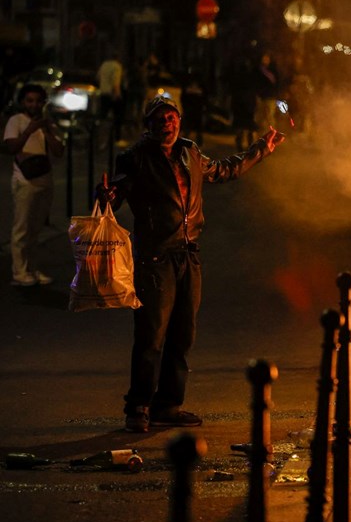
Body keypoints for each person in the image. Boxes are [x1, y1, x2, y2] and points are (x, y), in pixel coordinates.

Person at [97, 94, 285, 433]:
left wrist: (262, 149)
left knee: (183, 334)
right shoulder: (135, 158)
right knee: (151, 335)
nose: (166, 124)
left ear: (179, 121)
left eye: (171, 118)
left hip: (189, 255)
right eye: (158, 118)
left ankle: (168, 404)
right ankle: (138, 406)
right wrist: (107, 195)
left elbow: (224, 170)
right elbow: (118, 193)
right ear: (148, 124)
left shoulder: (191, 153)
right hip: (154, 258)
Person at [4, 83, 64, 286]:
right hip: (25, 179)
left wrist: (46, 130)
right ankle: (19, 272)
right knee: (22, 228)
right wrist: (29, 131)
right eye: (29, 100)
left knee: (36, 229)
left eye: (38, 101)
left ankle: (32, 268)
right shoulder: (16, 121)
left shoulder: (48, 124)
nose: (34, 105)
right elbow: (11, 146)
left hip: (45, 179)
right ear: (22, 102)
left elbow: (58, 151)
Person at [96, 49, 125, 144]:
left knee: (102, 116)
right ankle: (117, 138)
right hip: (112, 94)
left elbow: (97, 77)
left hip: (103, 93)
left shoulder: (104, 65)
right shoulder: (117, 66)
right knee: (118, 117)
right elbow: (115, 81)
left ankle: (98, 137)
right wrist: (117, 94)